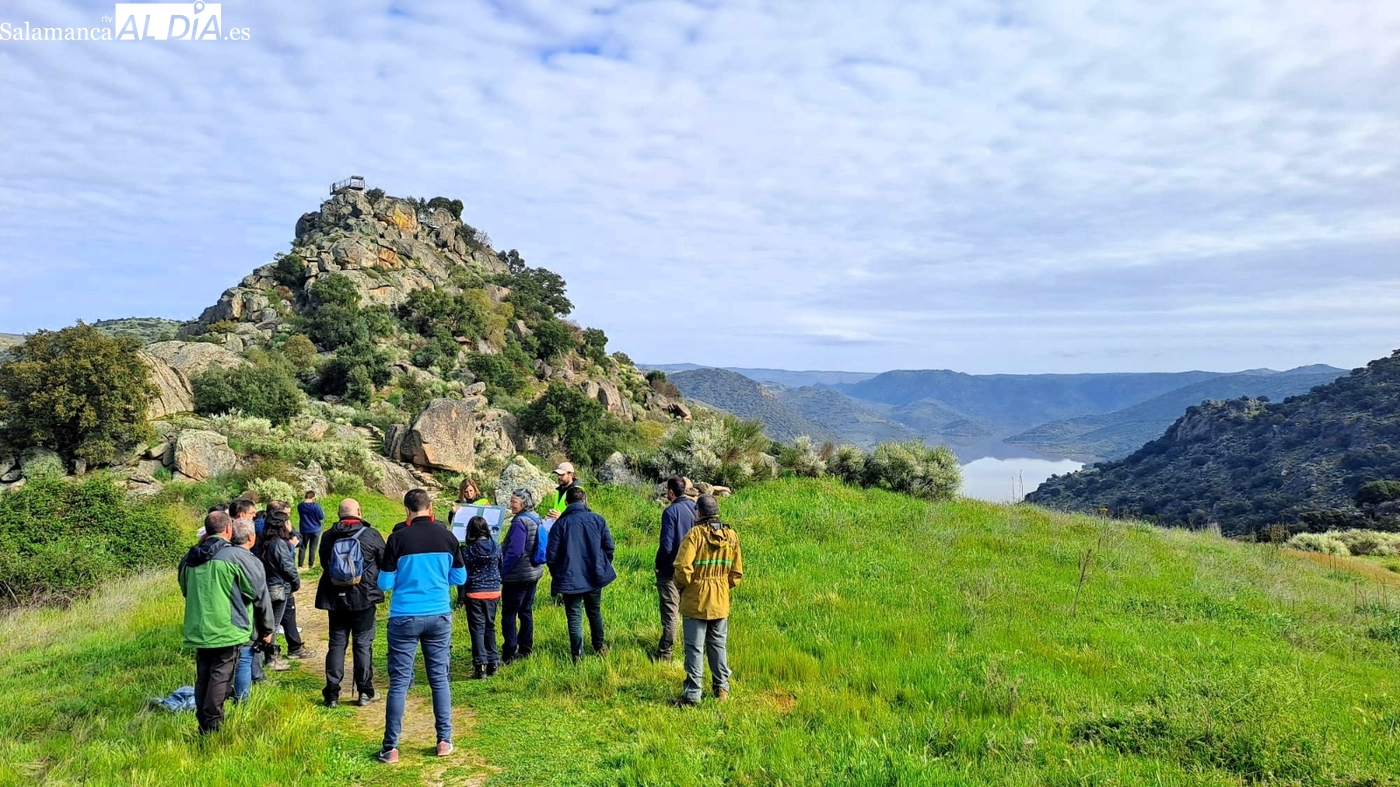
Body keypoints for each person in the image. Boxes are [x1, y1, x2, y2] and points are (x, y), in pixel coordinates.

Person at [376, 488, 466, 764]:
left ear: (407, 511)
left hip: (404, 615)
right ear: (431, 508)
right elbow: (460, 578)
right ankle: (444, 740)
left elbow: (384, 583)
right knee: (439, 679)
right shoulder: (447, 537)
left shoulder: (397, 539)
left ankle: (391, 747)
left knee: (400, 682)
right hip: (438, 613)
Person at [178, 511, 274, 734]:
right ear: (229, 529)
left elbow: (186, 590)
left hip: (198, 628)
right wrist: (267, 628)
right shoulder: (236, 557)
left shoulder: (189, 558)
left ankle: (204, 722)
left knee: (204, 676)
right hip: (228, 628)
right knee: (220, 677)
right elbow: (256, 592)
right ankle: (212, 726)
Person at [672, 495, 743, 707]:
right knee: (718, 646)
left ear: (699, 512)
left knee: (694, 649)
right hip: (720, 600)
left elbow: (682, 568)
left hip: (696, 599)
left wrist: (683, 587)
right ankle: (721, 689)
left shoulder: (694, 535)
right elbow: (736, 573)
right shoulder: (731, 536)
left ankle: (693, 695)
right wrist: (721, 587)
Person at [315, 497, 386, 708]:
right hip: (364, 598)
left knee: (337, 644)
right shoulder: (371, 535)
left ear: (339, 514)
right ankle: (365, 691)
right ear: (359, 512)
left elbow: (324, 563)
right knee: (363, 644)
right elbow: (384, 562)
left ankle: (332, 694)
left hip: (335, 598)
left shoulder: (328, 536)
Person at [545, 486, 616, 662]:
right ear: (584, 500)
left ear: (566, 503)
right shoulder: (597, 520)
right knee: (594, 611)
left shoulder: (560, 525)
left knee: (574, 616)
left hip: (570, 577)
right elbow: (609, 547)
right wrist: (601, 565)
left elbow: (551, 556)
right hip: (595, 574)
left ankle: (578, 656)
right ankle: (599, 646)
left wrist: (558, 575)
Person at [654, 475, 697, 662]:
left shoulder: (670, 512)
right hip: (691, 568)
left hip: (671, 570)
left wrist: (659, 564)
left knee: (671, 613)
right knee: (690, 611)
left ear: (671, 492)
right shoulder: (695, 508)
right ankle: (692, 648)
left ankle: (665, 653)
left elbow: (667, 545)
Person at [499, 487, 544, 663]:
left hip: (517, 576)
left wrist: (502, 571)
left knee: (509, 614)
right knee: (526, 611)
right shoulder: (535, 517)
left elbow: (515, 551)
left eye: (514, 502)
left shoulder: (519, 522)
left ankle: (509, 652)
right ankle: (526, 648)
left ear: (523, 503)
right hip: (533, 572)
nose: (511, 505)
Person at [261, 508, 311, 666]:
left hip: (268, 585)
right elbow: (288, 567)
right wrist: (295, 583)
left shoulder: (264, 541)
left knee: (273, 622)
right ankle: (272, 659)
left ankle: (279, 653)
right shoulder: (279, 544)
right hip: (279, 588)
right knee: (273, 626)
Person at [229, 516, 265, 703]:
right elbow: (258, 596)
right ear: (252, 538)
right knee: (243, 660)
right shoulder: (251, 561)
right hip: (243, 620)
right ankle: (241, 701)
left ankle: (213, 701)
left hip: (215, 622)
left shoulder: (216, 556)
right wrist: (267, 628)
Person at [461, 515, 502, 678]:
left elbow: (463, 572)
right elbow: (501, 565)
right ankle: (493, 662)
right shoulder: (496, 547)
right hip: (493, 591)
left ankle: (480, 666)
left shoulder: (467, 550)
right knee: (490, 626)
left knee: (477, 629)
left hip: (475, 591)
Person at [450, 478, 490, 606]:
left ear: (475, 489)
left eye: (471, 491)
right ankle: (461, 600)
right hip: (463, 543)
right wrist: (453, 513)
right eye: (466, 492)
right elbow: (452, 523)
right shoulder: (458, 504)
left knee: (477, 570)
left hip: (478, 542)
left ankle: (476, 597)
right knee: (462, 570)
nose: (469, 494)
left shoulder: (483, 501)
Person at [297, 490, 326, 569]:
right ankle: (311, 564)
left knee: (302, 547)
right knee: (313, 547)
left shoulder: (300, 506)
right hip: (315, 529)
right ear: (313, 497)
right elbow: (321, 517)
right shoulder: (316, 506)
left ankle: (300, 565)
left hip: (304, 529)